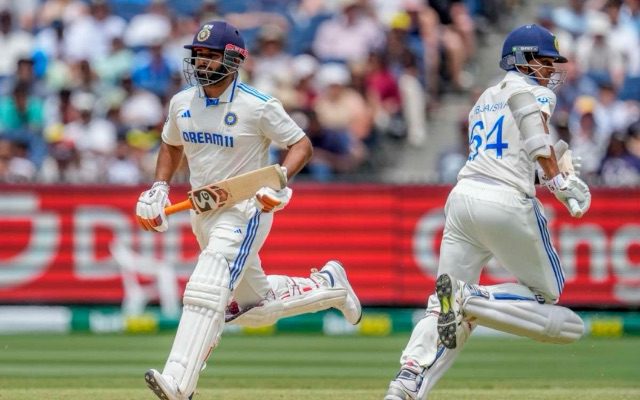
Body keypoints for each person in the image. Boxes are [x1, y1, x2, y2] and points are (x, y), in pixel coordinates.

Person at [135, 20, 362, 400]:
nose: (201, 64)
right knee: (254, 309)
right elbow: (171, 144)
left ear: (232, 59)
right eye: (198, 56)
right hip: (203, 211)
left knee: (208, 283)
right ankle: (328, 286)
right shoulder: (182, 103)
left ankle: (179, 381)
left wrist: (280, 180)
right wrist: (160, 186)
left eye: (210, 56)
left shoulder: (257, 105)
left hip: (247, 208)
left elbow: (300, 144)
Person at [384, 24, 591, 400]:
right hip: (506, 200)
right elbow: (533, 132)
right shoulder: (533, 91)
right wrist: (558, 182)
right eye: (545, 62)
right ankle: (474, 297)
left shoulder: (485, 97)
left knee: (441, 310)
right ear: (523, 60)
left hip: (463, 197)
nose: (550, 71)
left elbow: (512, 153)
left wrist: (554, 163)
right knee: (549, 294)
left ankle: (407, 382)